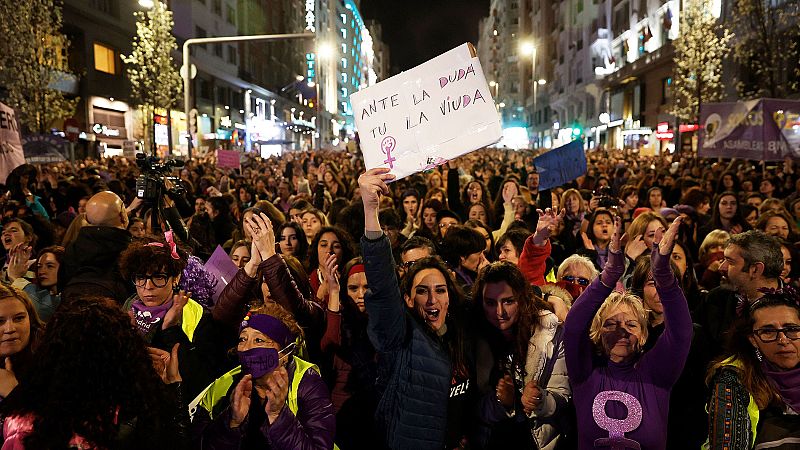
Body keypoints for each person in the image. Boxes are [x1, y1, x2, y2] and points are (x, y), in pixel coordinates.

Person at [359, 167, 474, 450]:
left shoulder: (463, 331)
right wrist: (370, 210)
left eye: (440, 290)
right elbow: (383, 287)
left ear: (450, 296)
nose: (432, 299)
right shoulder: (402, 335)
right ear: (408, 300)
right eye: (422, 291)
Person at [563, 216, 692, 449]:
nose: (621, 331)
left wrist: (663, 274)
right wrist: (609, 274)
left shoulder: (656, 374)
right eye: (611, 324)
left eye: (631, 325)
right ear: (597, 332)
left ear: (643, 334)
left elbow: (681, 333)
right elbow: (573, 327)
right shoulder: (584, 373)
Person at [0, 295, 187, 449]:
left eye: (19, 318)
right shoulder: (127, 401)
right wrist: (172, 388)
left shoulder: (27, 424)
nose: (10, 329)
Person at [191, 303, 336, 450]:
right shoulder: (223, 387)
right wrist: (231, 422)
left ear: (285, 352)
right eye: (242, 339)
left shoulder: (308, 384)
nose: (247, 348)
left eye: (258, 340)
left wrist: (279, 417)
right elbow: (198, 445)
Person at [473, 262, 571, 449]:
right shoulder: (473, 335)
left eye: (508, 301)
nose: (500, 312)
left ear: (522, 298)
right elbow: (469, 408)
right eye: (490, 303)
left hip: (538, 441)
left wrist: (539, 399)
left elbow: (563, 397)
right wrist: (503, 402)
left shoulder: (547, 331)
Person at [119, 234, 229, 399]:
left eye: (159, 277)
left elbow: (202, 378)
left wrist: (170, 330)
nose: (148, 286)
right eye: (141, 278)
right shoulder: (127, 307)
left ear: (175, 278)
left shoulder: (198, 316)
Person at [706, 288, 800, 448]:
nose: (783, 340)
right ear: (753, 340)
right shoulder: (734, 378)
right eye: (768, 331)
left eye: (791, 329)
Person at [320, 255, 380, 449]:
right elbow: (330, 344)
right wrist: (334, 291)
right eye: (353, 288)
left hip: (378, 417)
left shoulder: (386, 325)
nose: (361, 294)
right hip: (341, 418)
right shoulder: (338, 319)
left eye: (367, 287)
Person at [695, 231, 783, 356]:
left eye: (730, 262)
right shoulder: (715, 298)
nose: (721, 267)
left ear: (755, 270)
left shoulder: (795, 305)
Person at [58, 191, 133, 303]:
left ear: (86, 218)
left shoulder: (71, 250)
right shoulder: (130, 252)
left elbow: (62, 285)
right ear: (122, 214)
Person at [7, 246, 63, 322]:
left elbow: (42, 307)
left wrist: (15, 277)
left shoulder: (66, 298)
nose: (42, 271)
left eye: (50, 266)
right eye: (39, 266)